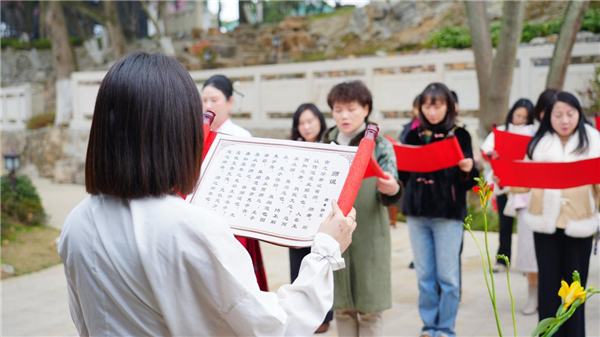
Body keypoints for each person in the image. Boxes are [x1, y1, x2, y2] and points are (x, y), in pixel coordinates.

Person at [59, 52, 358, 336]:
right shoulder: (188, 228)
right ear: (178, 132)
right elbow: (270, 327)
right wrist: (324, 251)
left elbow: (84, 321)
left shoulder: (76, 222)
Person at [321, 81, 402, 336]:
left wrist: (393, 188)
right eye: (337, 109)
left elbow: (393, 185)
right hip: (336, 232)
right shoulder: (327, 140)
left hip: (369, 231)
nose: (344, 115)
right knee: (342, 306)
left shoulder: (380, 144)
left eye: (351, 109)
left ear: (366, 109)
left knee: (370, 309)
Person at [399, 83, 479, 337]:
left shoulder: (460, 135)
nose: (432, 112)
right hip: (417, 214)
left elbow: (470, 181)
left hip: (447, 214)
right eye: (427, 106)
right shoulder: (412, 136)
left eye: (438, 105)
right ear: (420, 108)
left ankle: (445, 329)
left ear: (449, 107)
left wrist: (468, 169)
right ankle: (428, 326)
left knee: (448, 277)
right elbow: (403, 175)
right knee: (424, 277)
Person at [523, 91, 599, 337]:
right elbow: (521, 181)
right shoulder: (537, 143)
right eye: (558, 115)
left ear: (579, 113)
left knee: (575, 293)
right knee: (548, 287)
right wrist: (503, 175)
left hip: (579, 223)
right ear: (548, 117)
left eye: (570, 113)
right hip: (545, 224)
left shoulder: (594, 141)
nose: (564, 120)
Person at [201, 74, 269, 291]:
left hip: (234, 222)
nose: (208, 105)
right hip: (202, 218)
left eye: (214, 99)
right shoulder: (195, 135)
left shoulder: (242, 136)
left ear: (230, 102)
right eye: (204, 100)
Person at [288, 103, 333, 333]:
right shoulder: (291, 149)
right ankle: (302, 315)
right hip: (297, 221)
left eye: (310, 121)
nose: (306, 127)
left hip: (322, 221)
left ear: (320, 122)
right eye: (301, 123)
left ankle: (324, 316)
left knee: (322, 266)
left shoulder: (331, 148)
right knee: (299, 268)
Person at [480, 98, 535, 274]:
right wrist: (492, 154)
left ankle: (528, 263)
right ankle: (503, 259)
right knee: (505, 225)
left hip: (524, 185)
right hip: (503, 182)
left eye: (524, 117)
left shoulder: (533, 132)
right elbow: (485, 151)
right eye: (517, 115)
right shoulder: (501, 131)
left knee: (526, 227)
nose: (519, 120)